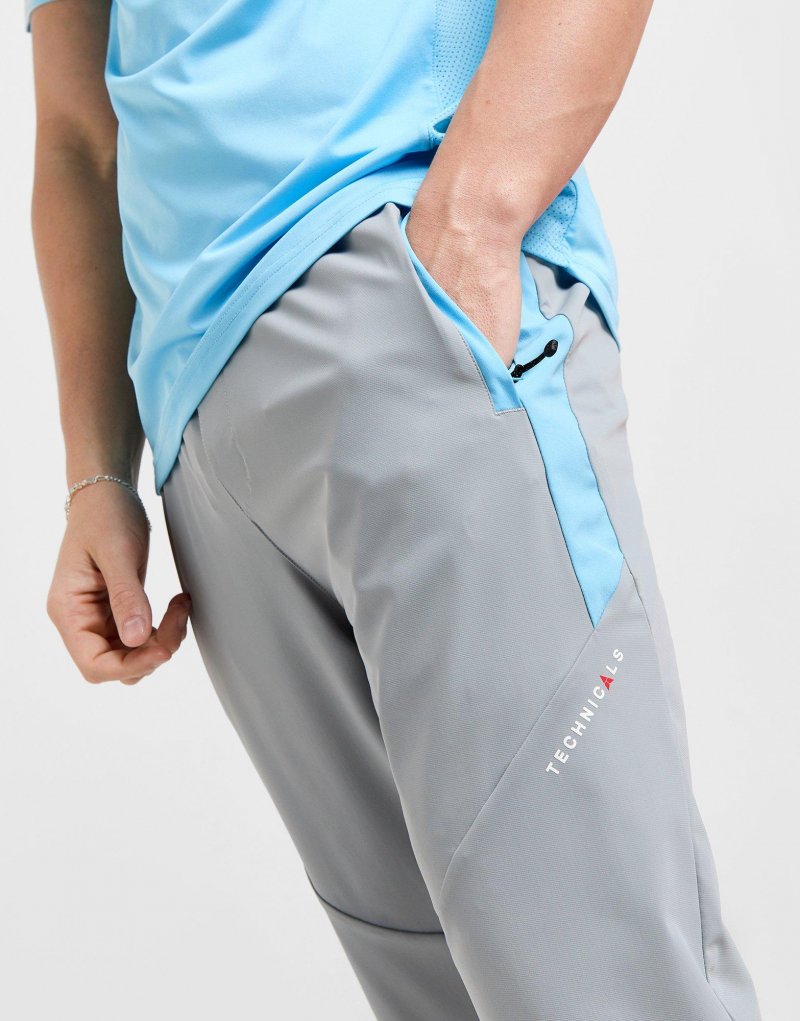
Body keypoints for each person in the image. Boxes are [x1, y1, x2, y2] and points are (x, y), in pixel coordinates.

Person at [25, 0, 762, 1017]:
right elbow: (77, 133)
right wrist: (98, 472)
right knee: (447, 991)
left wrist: (474, 218)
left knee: (606, 983)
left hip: (403, 299)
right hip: (208, 454)